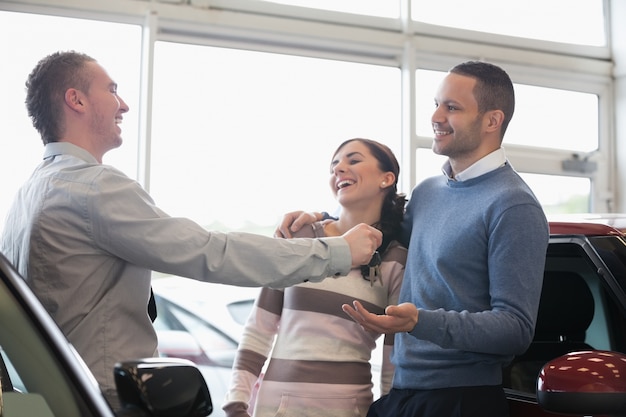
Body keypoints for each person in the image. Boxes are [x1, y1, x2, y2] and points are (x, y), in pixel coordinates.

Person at [0, 51, 382, 411]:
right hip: (102, 398)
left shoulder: (27, 196)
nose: (124, 104)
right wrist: (337, 252)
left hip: (52, 396)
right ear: (76, 100)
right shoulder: (92, 187)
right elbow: (209, 253)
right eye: (112, 90)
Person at [276, 61, 550, 417]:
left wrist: (419, 321)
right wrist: (319, 220)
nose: (435, 116)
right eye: (437, 103)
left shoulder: (514, 205)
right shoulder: (429, 192)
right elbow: (379, 237)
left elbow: (514, 329)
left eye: (452, 107)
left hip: (462, 399)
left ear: (491, 121)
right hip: (404, 394)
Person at [222, 138, 407, 417]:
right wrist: (237, 402)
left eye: (353, 160)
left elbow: (394, 357)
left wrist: (391, 410)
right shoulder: (299, 237)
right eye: (334, 165)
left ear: (386, 178)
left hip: (350, 408)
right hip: (277, 408)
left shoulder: (395, 258)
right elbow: (259, 328)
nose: (339, 169)